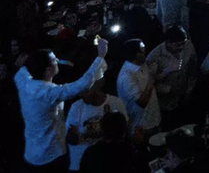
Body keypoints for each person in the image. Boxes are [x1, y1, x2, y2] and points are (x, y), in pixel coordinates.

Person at [14, 39, 109, 171]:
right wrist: (100, 56)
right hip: (51, 155)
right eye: (54, 60)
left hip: (31, 153)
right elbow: (82, 84)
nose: (57, 61)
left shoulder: (23, 81)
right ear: (48, 70)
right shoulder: (49, 92)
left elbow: (22, 69)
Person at [65, 78, 127, 172]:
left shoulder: (116, 103)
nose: (82, 95)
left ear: (98, 85)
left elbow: (122, 131)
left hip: (107, 161)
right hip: (81, 163)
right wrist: (72, 135)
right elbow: (71, 140)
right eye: (80, 90)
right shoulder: (76, 107)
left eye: (86, 90)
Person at [145, 26, 198, 127]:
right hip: (166, 103)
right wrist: (167, 70)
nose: (182, 47)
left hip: (184, 96)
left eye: (183, 44)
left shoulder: (188, 46)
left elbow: (193, 70)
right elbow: (149, 82)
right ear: (169, 43)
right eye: (178, 45)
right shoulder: (155, 56)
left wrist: (189, 91)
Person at [116, 39, 162, 138]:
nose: (145, 52)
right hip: (141, 127)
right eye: (142, 50)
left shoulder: (142, 64)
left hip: (154, 119)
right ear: (135, 54)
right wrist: (151, 78)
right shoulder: (126, 76)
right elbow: (142, 102)